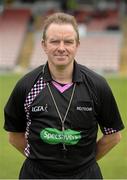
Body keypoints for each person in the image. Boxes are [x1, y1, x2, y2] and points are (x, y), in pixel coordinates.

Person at [4, 12, 124, 179]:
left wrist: (84, 163)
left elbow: (113, 135)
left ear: (77, 45)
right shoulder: (26, 85)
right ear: (44, 45)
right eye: (54, 41)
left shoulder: (97, 85)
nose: (61, 48)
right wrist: (40, 161)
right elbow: (14, 135)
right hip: (37, 175)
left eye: (68, 41)